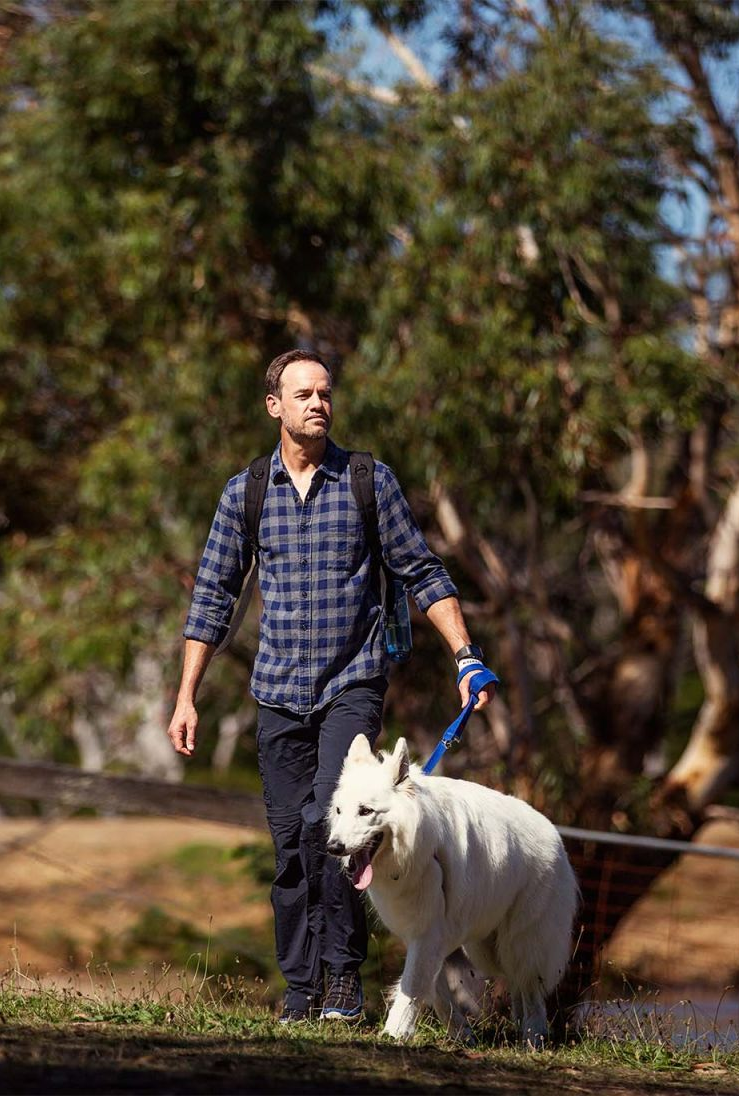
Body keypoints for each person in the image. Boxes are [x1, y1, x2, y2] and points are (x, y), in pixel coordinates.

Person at [166, 348, 497, 1024]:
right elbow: (212, 597)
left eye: (325, 391)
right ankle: (299, 988)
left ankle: (343, 981)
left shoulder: (368, 481)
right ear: (274, 407)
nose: (318, 402)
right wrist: (185, 694)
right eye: (303, 393)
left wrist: (465, 656)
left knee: (336, 825)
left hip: (352, 684)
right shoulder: (246, 493)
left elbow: (422, 573)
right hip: (277, 693)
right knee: (290, 845)